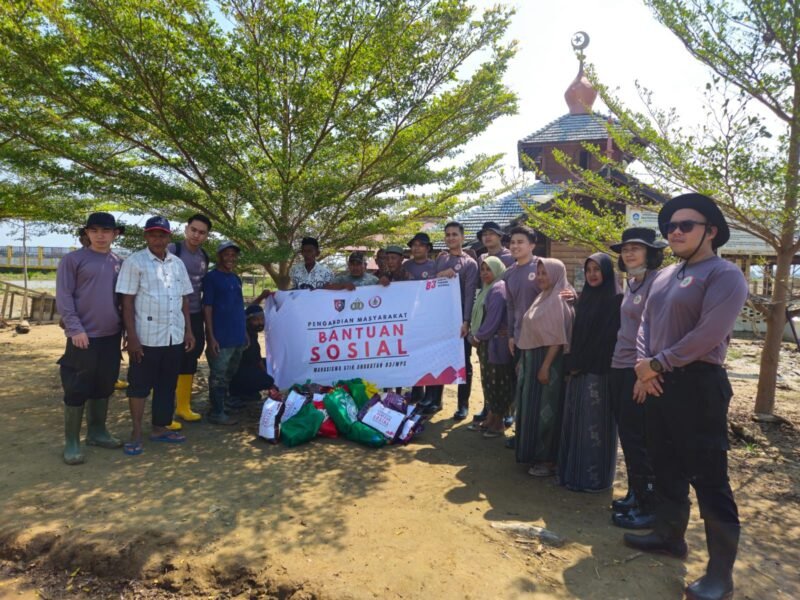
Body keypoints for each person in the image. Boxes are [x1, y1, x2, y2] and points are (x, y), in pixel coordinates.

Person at [624, 194, 748, 600]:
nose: (675, 232)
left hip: (698, 385)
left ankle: (719, 575)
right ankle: (669, 534)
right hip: (657, 382)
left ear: (710, 230)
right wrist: (645, 365)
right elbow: (645, 324)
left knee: (710, 479)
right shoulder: (665, 276)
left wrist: (657, 364)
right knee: (665, 465)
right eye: (671, 226)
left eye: (686, 225)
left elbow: (709, 334)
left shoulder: (724, 275)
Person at [116, 216, 195, 455]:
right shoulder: (135, 262)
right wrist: (132, 337)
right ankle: (136, 432)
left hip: (174, 336)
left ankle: (159, 428)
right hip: (146, 338)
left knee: (166, 385)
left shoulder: (177, 264)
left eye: (162, 235)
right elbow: (127, 303)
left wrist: (188, 330)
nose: (157, 239)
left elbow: (184, 299)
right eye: (153, 234)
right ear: (145, 236)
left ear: (169, 237)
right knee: (139, 386)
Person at [608, 227, 666, 529]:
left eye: (636, 248)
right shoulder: (631, 282)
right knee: (628, 437)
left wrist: (644, 374)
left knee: (640, 438)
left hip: (639, 371)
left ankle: (649, 505)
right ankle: (635, 493)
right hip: (619, 365)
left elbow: (658, 330)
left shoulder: (658, 282)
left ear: (651, 252)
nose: (629, 253)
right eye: (625, 248)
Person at [55, 212, 125, 465]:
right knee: (76, 386)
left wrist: (126, 331)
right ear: (87, 233)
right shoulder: (73, 260)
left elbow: (123, 301)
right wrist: (75, 329)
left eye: (106, 231)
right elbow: (64, 297)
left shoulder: (119, 262)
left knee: (104, 384)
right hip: (83, 336)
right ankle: (72, 441)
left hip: (111, 336)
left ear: (115, 234)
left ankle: (97, 431)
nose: (100, 235)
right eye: (94, 230)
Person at [557, 253, 622, 492]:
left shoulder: (616, 300)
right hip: (578, 370)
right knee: (577, 424)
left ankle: (593, 481)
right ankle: (573, 476)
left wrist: (580, 364)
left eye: (597, 269)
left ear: (607, 272)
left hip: (599, 372)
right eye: (589, 270)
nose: (593, 274)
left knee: (595, 428)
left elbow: (606, 341)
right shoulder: (585, 299)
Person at [514, 258, 574, 477]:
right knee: (530, 407)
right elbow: (531, 332)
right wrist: (523, 360)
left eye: (544, 273)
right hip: (533, 359)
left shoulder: (558, 299)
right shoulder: (542, 297)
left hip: (548, 362)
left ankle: (546, 460)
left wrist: (545, 366)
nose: (540, 277)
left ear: (556, 274)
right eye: (538, 273)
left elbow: (557, 339)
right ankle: (531, 454)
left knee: (546, 412)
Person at [423, 222, 478, 419]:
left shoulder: (470, 264)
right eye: (447, 235)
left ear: (462, 238)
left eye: (455, 234)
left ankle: (463, 404)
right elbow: (430, 284)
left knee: (464, 362)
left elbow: (470, 294)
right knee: (438, 359)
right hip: (439, 319)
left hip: (458, 321)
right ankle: (436, 401)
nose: (451, 238)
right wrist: (440, 275)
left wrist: (466, 321)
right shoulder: (441, 258)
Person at [166, 214, 211, 428]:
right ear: (186, 229)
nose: (196, 235)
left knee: (191, 357)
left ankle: (183, 407)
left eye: (202, 232)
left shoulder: (204, 256)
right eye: (194, 229)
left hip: (194, 314)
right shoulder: (174, 250)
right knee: (168, 359)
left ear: (206, 236)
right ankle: (163, 411)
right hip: (171, 313)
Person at [466, 257, 514, 437]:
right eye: (483, 269)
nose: (485, 273)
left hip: (495, 344)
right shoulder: (488, 289)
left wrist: (477, 336)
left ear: (498, 269)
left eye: (489, 269)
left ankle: (498, 424)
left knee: (498, 382)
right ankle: (491, 418)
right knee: (489, 382)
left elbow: (493, 321)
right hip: (489, 343)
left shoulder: (498, 289)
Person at [203, 241, 248, 425]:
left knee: (230, 372)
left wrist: (244, 331)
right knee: (218, 374)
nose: (230, 258)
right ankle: (217, 411)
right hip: (220, 337)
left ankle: (223, 402)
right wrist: (210, 336)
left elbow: (239, 306)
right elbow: (207, 308)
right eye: (226, 254)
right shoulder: (211, 278)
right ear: (219, 256)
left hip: (237, 335)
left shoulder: (236, 278)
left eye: (233, 254)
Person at [229, 304, 277, 405]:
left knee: (270, 364)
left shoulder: (250, 331)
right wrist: (270, 381)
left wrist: (261, 296)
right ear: (248, 320)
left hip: (246, 367)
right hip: (239, 374)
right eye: (256, 320)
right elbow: (257, 361)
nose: (260, 323)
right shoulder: (246, 337)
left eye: (262, 319)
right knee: (268, 379)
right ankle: (240, 392)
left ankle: (248, 391)